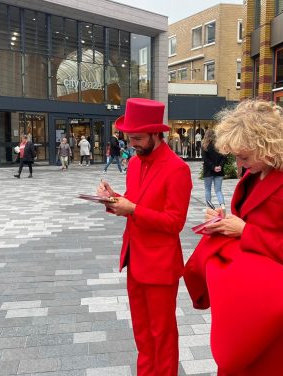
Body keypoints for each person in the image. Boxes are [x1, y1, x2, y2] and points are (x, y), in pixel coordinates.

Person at [184, 100, 283, 376]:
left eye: (244, 157)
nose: (238, 164)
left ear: (267, 146)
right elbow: (245, 220)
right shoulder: (254, 175)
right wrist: (223, 222)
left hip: (273, 305)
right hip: (243, 298)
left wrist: (243, 230)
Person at [96, 98, 192, 376]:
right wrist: (113, 199)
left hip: (160, 265)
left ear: (155, 133)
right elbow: (135, 204)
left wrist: (133, 209)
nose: (132, 144)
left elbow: (175, 223)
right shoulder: (136, 165)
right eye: (129, 138)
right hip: (135, 260)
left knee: (162, 334)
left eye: (137, 138)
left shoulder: (177, 169)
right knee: (141, 333)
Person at [202, 129, 226, 209]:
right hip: (219, 171)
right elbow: (224, 157)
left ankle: (209, 207)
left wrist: (213, 167)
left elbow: (205, 159)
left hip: (208, 170)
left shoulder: (205, 145)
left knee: (207, 189)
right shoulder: (219, 145)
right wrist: (220, 166)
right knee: (218, 190)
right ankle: (222, 205)